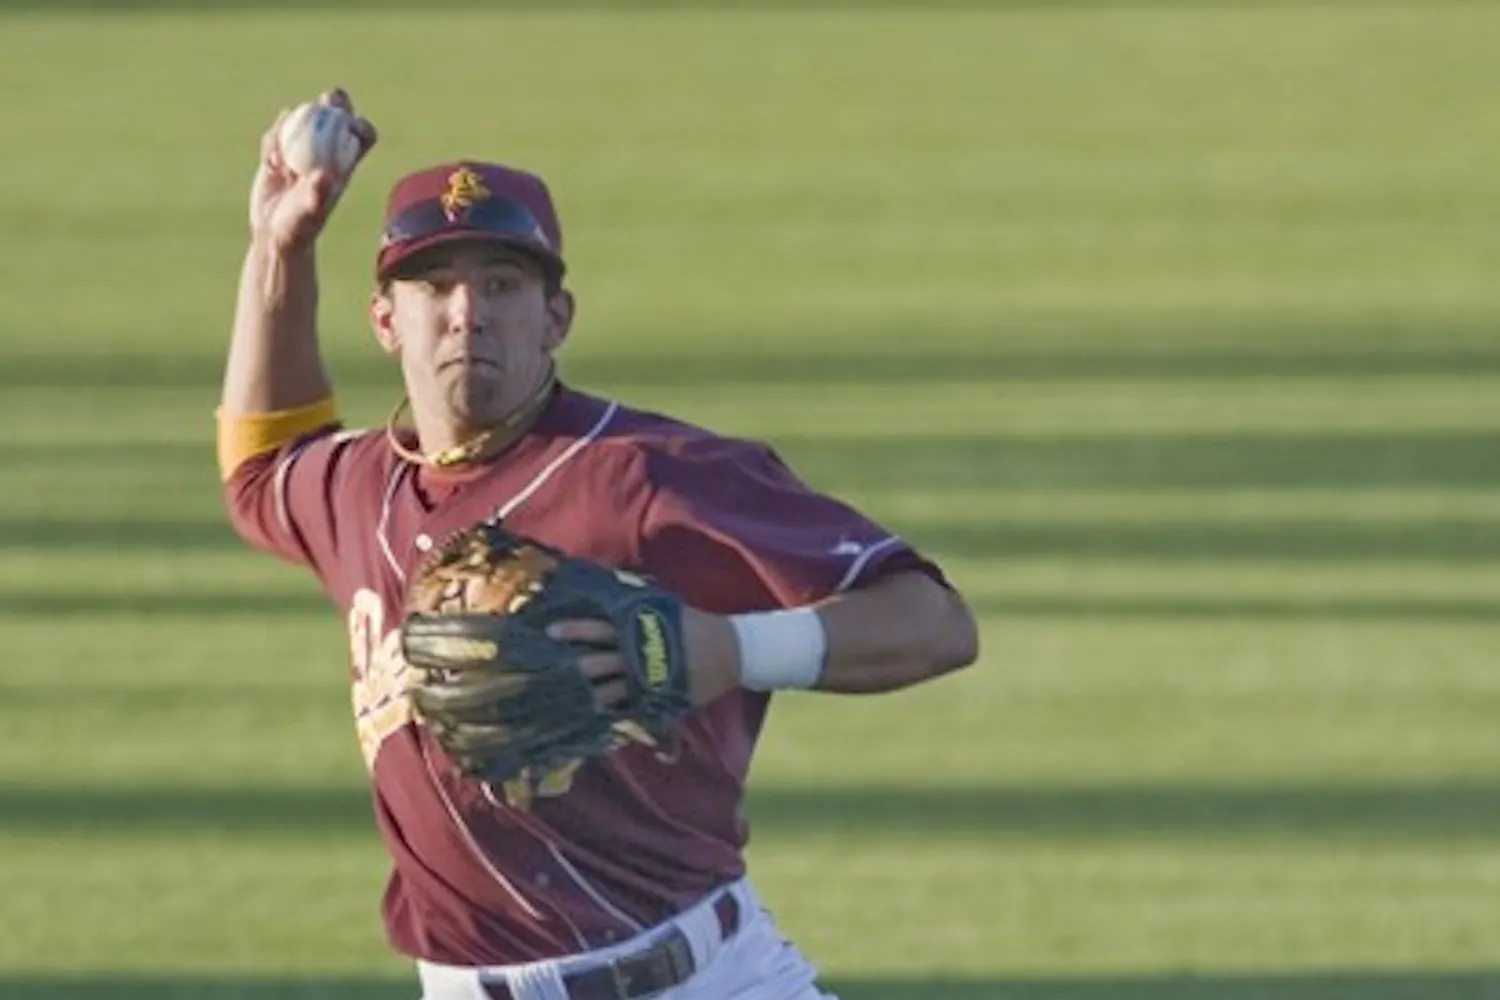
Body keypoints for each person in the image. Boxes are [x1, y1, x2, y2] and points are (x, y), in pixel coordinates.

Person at [218, 89, 980, 1000]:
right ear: (386, 321)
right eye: (434, 285)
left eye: (502, 285)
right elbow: (264, 464)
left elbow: (934, 620)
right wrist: (280, 248)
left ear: (557, 318)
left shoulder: (644, 473)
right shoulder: (355, 490)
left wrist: (735, 647)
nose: (467, 312)